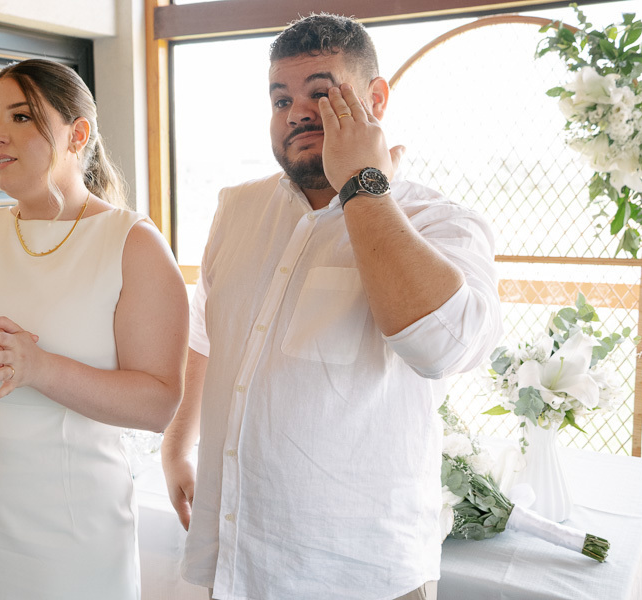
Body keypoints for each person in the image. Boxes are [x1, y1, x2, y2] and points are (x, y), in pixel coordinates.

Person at [161, 13, 502, 600]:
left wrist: (363, 183)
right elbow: (206, 335)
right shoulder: (236, 209)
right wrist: (175, 447)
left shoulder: (440, 223)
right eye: (279, 98)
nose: (295, 112)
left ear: (375, 98)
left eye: (320, 92)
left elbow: (441, 347)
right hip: (238, 558)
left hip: (360, 571)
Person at [0, 59, 189, 599]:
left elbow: (157, 404)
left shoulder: (132, 243)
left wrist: (40, 367)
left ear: (78, 134)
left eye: (22, 116)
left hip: (72, 544)